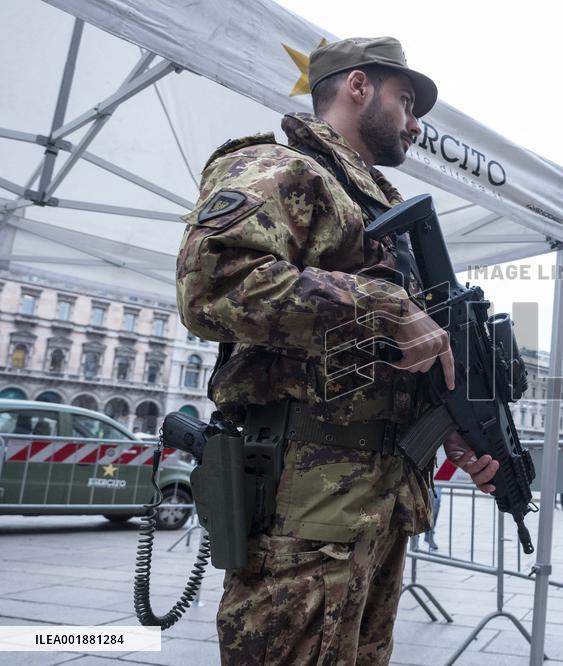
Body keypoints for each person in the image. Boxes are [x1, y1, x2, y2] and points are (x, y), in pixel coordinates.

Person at [176, 37, 499, 664]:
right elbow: (213, 286)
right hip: (305, 511)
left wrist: (452, 429)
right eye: (406, 102)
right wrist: (386, 308)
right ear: (357, 86)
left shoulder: (382, 207)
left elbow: (393, 360)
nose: (415, 124)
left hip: (379, 505)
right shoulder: (278, 166)